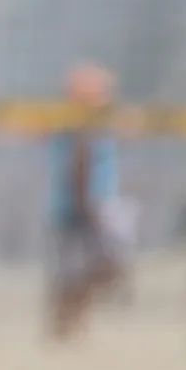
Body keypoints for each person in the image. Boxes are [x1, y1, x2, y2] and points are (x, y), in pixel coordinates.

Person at [48, 62, 126, 340]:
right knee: (86, 269)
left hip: (85, 207)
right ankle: (66, 323)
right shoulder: (82, 127)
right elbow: (79, 168)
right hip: (85, 208)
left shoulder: (83, 125)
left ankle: (70, 322)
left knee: (77, 270)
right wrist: (86, 208)